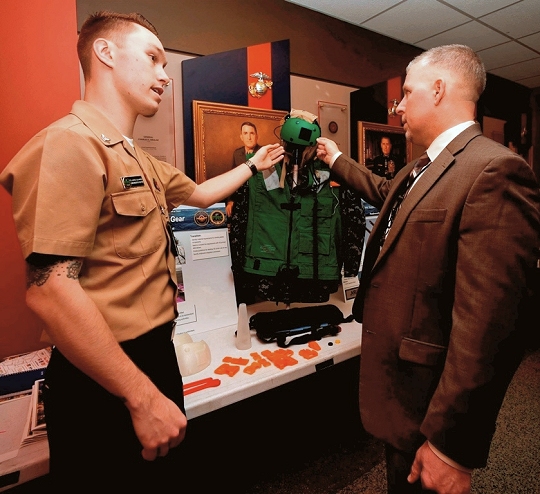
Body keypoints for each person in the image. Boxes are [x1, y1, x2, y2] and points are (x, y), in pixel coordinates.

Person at [0, 11, 283, 491]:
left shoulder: (135, 157)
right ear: (105, 54)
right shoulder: (70, 144)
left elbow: (200, 193)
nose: (164, 73)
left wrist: (254, 166)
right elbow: (50, 291)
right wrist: (142, 398)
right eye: (152, 57)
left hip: (151, 355)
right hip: (106, 374)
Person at [316, 44, 540, 494]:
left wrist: (451, 445)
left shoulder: (494, 171)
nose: (397, 106)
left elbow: (491, 328)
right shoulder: (423, 167)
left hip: (433, 409)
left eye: (407, 92)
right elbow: (385, 192)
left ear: (438, 90)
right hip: (403, 399)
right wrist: (334, 159)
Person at [226, 121, 261, 216]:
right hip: (241, 200)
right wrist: (230, 200)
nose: (249, 137)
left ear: (257, 136)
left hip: (259, 201)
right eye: (245, 133)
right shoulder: (237, 154)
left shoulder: (263, 153)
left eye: (252, 133)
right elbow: (232, 179)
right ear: (241, 137)